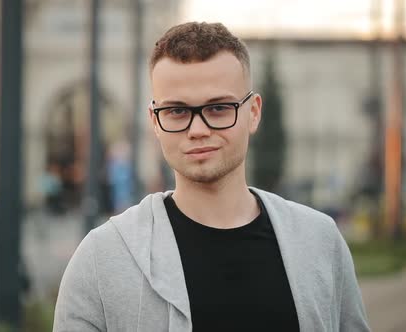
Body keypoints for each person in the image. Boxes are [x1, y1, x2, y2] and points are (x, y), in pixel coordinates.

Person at [54, 22, 370, 332]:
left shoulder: (319, 242)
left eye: (218, 108)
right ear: (155, 121)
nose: (198, 130)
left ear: (254, 112)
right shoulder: (103, 258)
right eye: (177, 111)